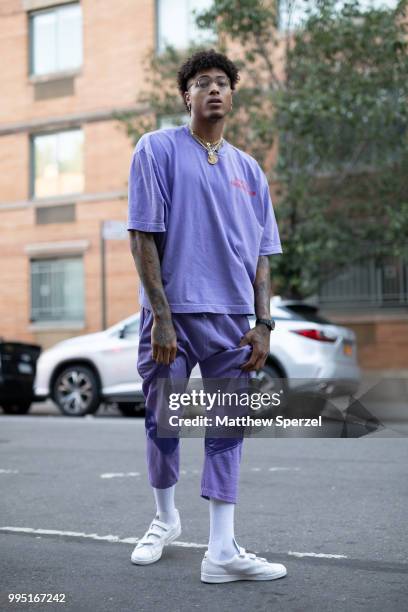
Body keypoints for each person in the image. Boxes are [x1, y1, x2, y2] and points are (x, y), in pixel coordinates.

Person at [127, 48, 286, 583]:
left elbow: (262, 256)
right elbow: (142, 236)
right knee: (163, 423)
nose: (213, 89)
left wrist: (263, 324)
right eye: (202, 82)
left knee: (227, 429)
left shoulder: (250, 170)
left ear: (232, 95)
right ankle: (165, 519)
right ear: (186, 95)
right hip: (172, 315)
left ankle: (221, 550)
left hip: (234, 321)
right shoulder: (156, 149)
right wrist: (162, 317)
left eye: (222, 82)